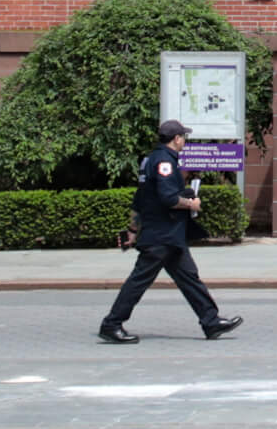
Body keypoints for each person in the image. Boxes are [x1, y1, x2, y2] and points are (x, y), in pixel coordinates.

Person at [98, 120, 243, 344]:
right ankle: (111, 324)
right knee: (138, 281)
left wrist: (132, 229)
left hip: (169, 236)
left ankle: (211, 321)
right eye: (183, 137)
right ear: (176, 139)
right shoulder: (165, 162)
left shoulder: (149, 160)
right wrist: (190, 204)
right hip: (161, 236)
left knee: (189, 278)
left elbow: (140, 199)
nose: (184, 140)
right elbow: (167, 198)